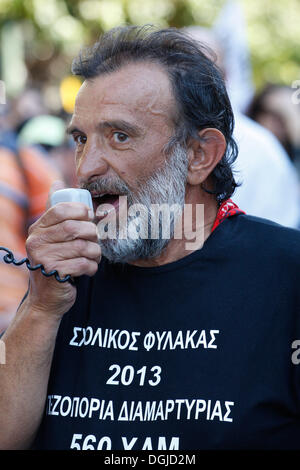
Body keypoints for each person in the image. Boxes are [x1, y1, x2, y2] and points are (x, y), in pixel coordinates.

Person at [1, 25, 300, 451]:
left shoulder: (285, 274)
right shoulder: (63, 273)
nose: (86, 167)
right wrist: (42, 308)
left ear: (199, 156)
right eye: (81, 140)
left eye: (120, 136)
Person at [184, 26, 300, 228]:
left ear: (225, 76)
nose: (190, 83)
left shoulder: (262, 151)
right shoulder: (139, 138)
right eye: (181, 69)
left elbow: (278, 237)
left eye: (203, 71)